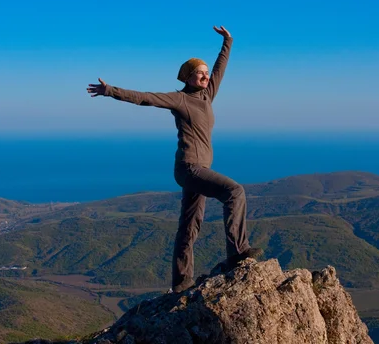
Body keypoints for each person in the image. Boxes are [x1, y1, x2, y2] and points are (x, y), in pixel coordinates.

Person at [86, 26, 263, 293]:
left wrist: (228, 41)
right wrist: (110, 90)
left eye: (205, 73)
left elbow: (220, 69)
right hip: (189, 168)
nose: (205, 76)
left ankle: (181, 284)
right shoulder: (179, 99)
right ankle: (237, 252)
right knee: (235, 192)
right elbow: (145, 98)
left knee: (190, 227)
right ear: (188, 78)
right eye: (199, 73)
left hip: (199, 169)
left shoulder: (207, 95)